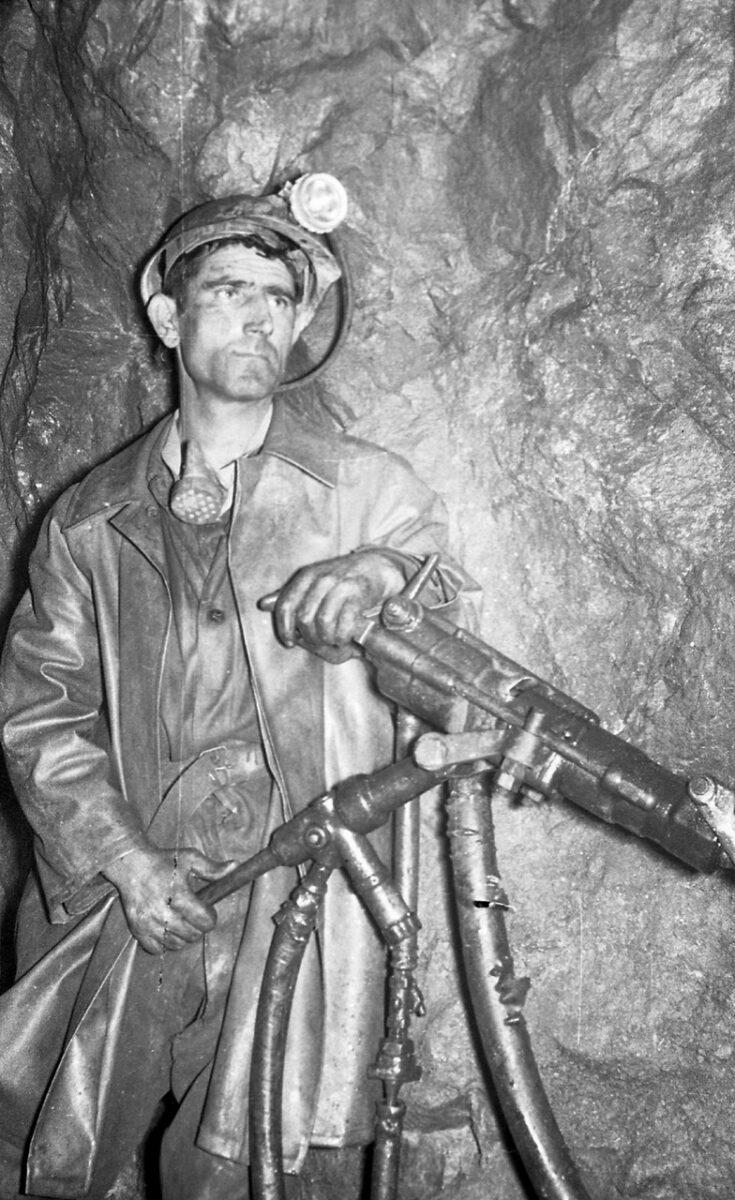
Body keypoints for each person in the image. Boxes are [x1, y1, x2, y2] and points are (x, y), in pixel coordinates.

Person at [0, 178, 477, 1199]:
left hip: (297, 884)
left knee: (248, 1162)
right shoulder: (88, 521)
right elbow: (41, 712)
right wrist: (125, 860)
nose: (260, 317)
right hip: (136, 885)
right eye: (228, 290)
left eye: (279, 297)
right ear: (169, 318)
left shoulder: (370, 497)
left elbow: (458, 671)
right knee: (53, 1145)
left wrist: (385, 578)